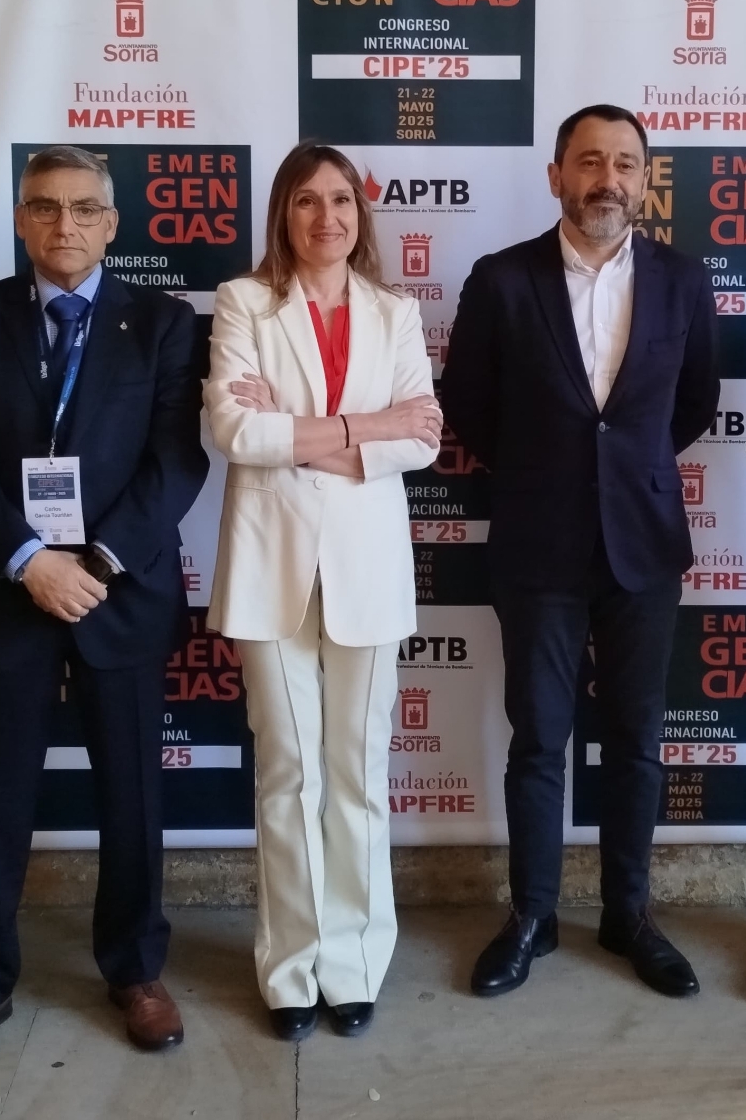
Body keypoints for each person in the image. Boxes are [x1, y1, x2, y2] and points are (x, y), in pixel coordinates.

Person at [0, 145, 210, 1084]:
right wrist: (31, 560)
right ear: (19, 219)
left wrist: (98, 562)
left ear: (112, 224)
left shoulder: (163, 322)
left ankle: (136, 970)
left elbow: (178, 460)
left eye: (83, 208)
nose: (63, 223)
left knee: (134, 797)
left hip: (119, 590)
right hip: (4, 589)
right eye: (44, 206)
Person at [441, 105, 721, 1000]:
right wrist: (549, 471)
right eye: (590, 161)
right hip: (538, 540)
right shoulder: (501, 279)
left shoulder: (683, 279)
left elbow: (694, 403)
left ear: (645, 179)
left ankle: (628, 913)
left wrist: (624, 472)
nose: (609, 179)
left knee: (638, 738)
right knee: (538, 739)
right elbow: (468, 405)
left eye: (626, 163)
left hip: (645, 541)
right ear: (557, 175)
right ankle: (532, 914)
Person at [205, 142, 441, 1042]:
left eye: (341, 199)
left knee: (357, 772)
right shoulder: (244, 301)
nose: (326, 217)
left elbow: (421, 437)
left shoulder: (395, 311)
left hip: (367, 572)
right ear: (284, 214)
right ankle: (290, 970)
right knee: (288, 773)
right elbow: (235, 429)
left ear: (360, 214)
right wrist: (362, 429)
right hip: (270, 568)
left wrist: (300, 430)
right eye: (306, 200)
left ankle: (354, 964)